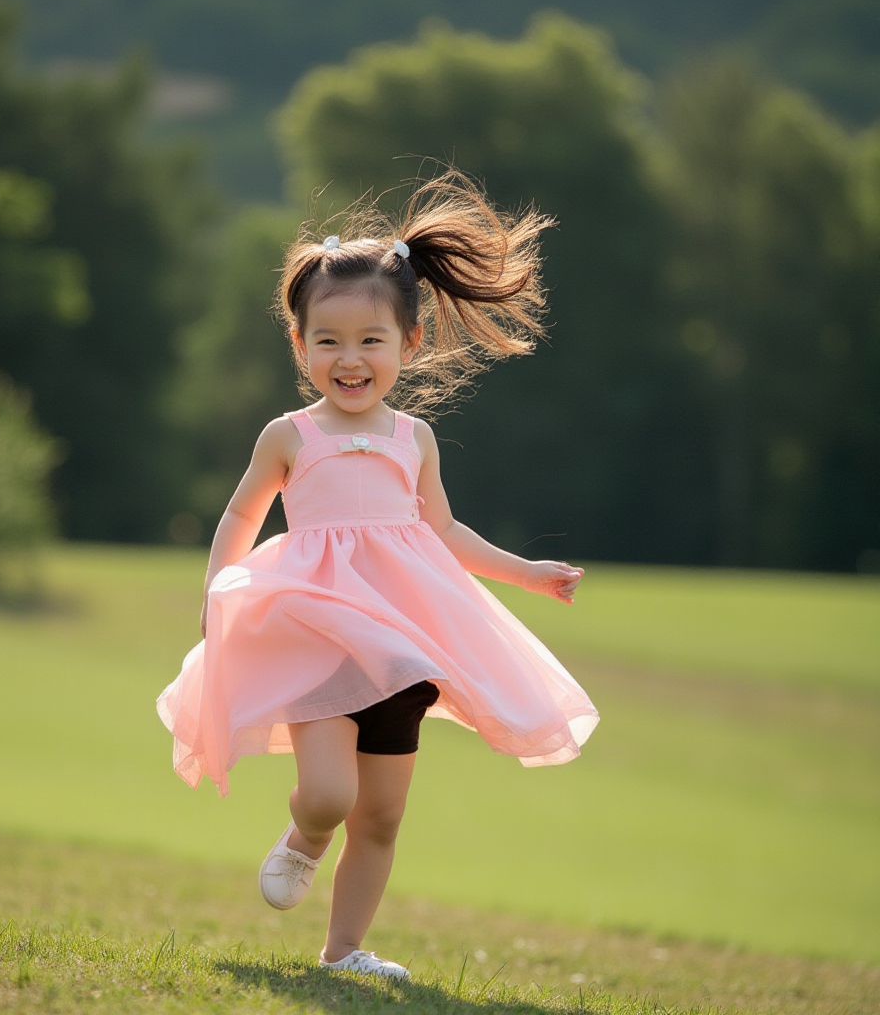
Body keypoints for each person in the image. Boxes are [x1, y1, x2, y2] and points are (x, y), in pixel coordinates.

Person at [157, 171, 599, 980]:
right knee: (329, 794)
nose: (349, 359)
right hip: (319, 631)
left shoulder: (414, 440)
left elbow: (440, 530)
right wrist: (220, 587)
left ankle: (345, 949)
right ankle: (303, 838)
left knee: (384, 813)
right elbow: (239, 518)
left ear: (410, 344)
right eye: (328, 341)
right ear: (300, 345)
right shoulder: (289, 436)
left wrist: (522, 573)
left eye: (371, 341)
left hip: (404, 643)